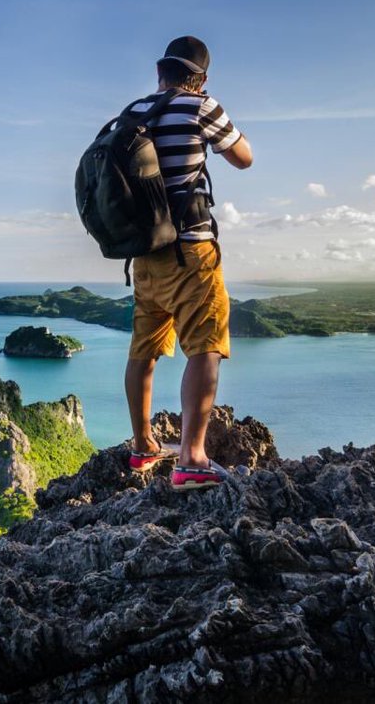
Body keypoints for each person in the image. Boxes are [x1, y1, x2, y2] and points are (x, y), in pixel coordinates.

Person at [124, 36, 253, 491]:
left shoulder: (134, 113)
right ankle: (191, 458)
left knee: (144, 349)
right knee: (206, 346)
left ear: (160, 73)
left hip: (143, 256)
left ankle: (143, 447)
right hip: (191, 251)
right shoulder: (200, 106)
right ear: (199, 78)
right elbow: (244, 158)